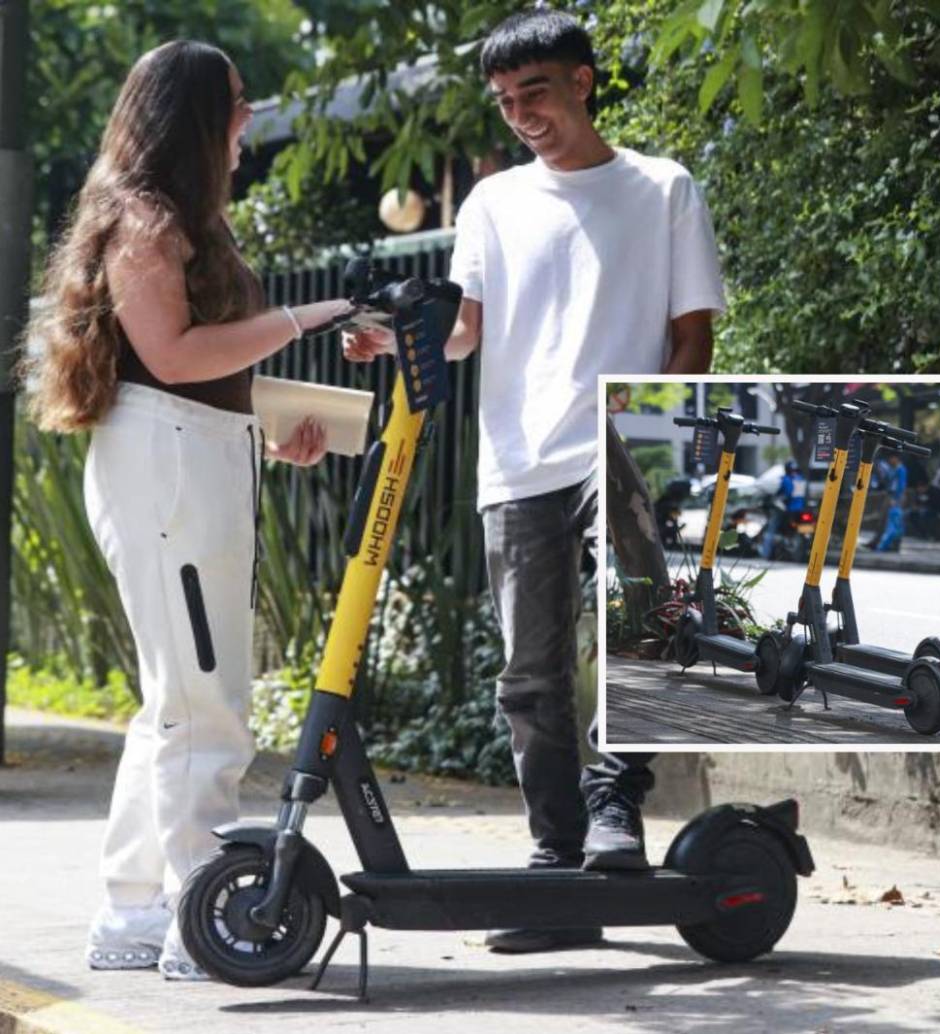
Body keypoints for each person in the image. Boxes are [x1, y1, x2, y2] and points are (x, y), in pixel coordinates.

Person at [344, 7, 726, 952]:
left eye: (538, 93)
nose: (521, 114)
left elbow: (693, 335)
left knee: (631, 632)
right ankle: (559, 868)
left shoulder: (662, 188)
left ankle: (614, 808)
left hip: (617, 445)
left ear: (584, 82)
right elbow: (466, 328)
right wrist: (398, 337)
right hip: (514, 460)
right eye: (506, 101)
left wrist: (649, 431)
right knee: (528, 671)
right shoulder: (491, 205)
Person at [20, 40, 352, 980]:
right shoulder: (148, 222)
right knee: (205, 706)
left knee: (175, 702)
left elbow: (193, 369)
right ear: (197, 117)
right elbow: (171, 356)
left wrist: (271, 418)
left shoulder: (175, 221)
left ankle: (137, 912)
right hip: (166, 467)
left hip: (184, 457)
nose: (248, 121)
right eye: (238, 105)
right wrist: (308, 315)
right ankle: (201, 920)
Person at [760, 460, 807, 559]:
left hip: (788, 510)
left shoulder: (785, 479)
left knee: (771, 529)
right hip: (801, 509)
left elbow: (784, 493)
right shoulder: (801, 479)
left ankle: (766, 554)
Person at [872, 453, 908, 552]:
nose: (890, 460)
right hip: (891, 496)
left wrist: (896, 499)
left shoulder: (901, 469)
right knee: (886, 521)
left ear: (896, 458)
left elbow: (900, 485)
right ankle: (878, 542)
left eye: (892, 458)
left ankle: (890, 545)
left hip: (895, 498)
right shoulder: (894, 469)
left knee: (893, 522)